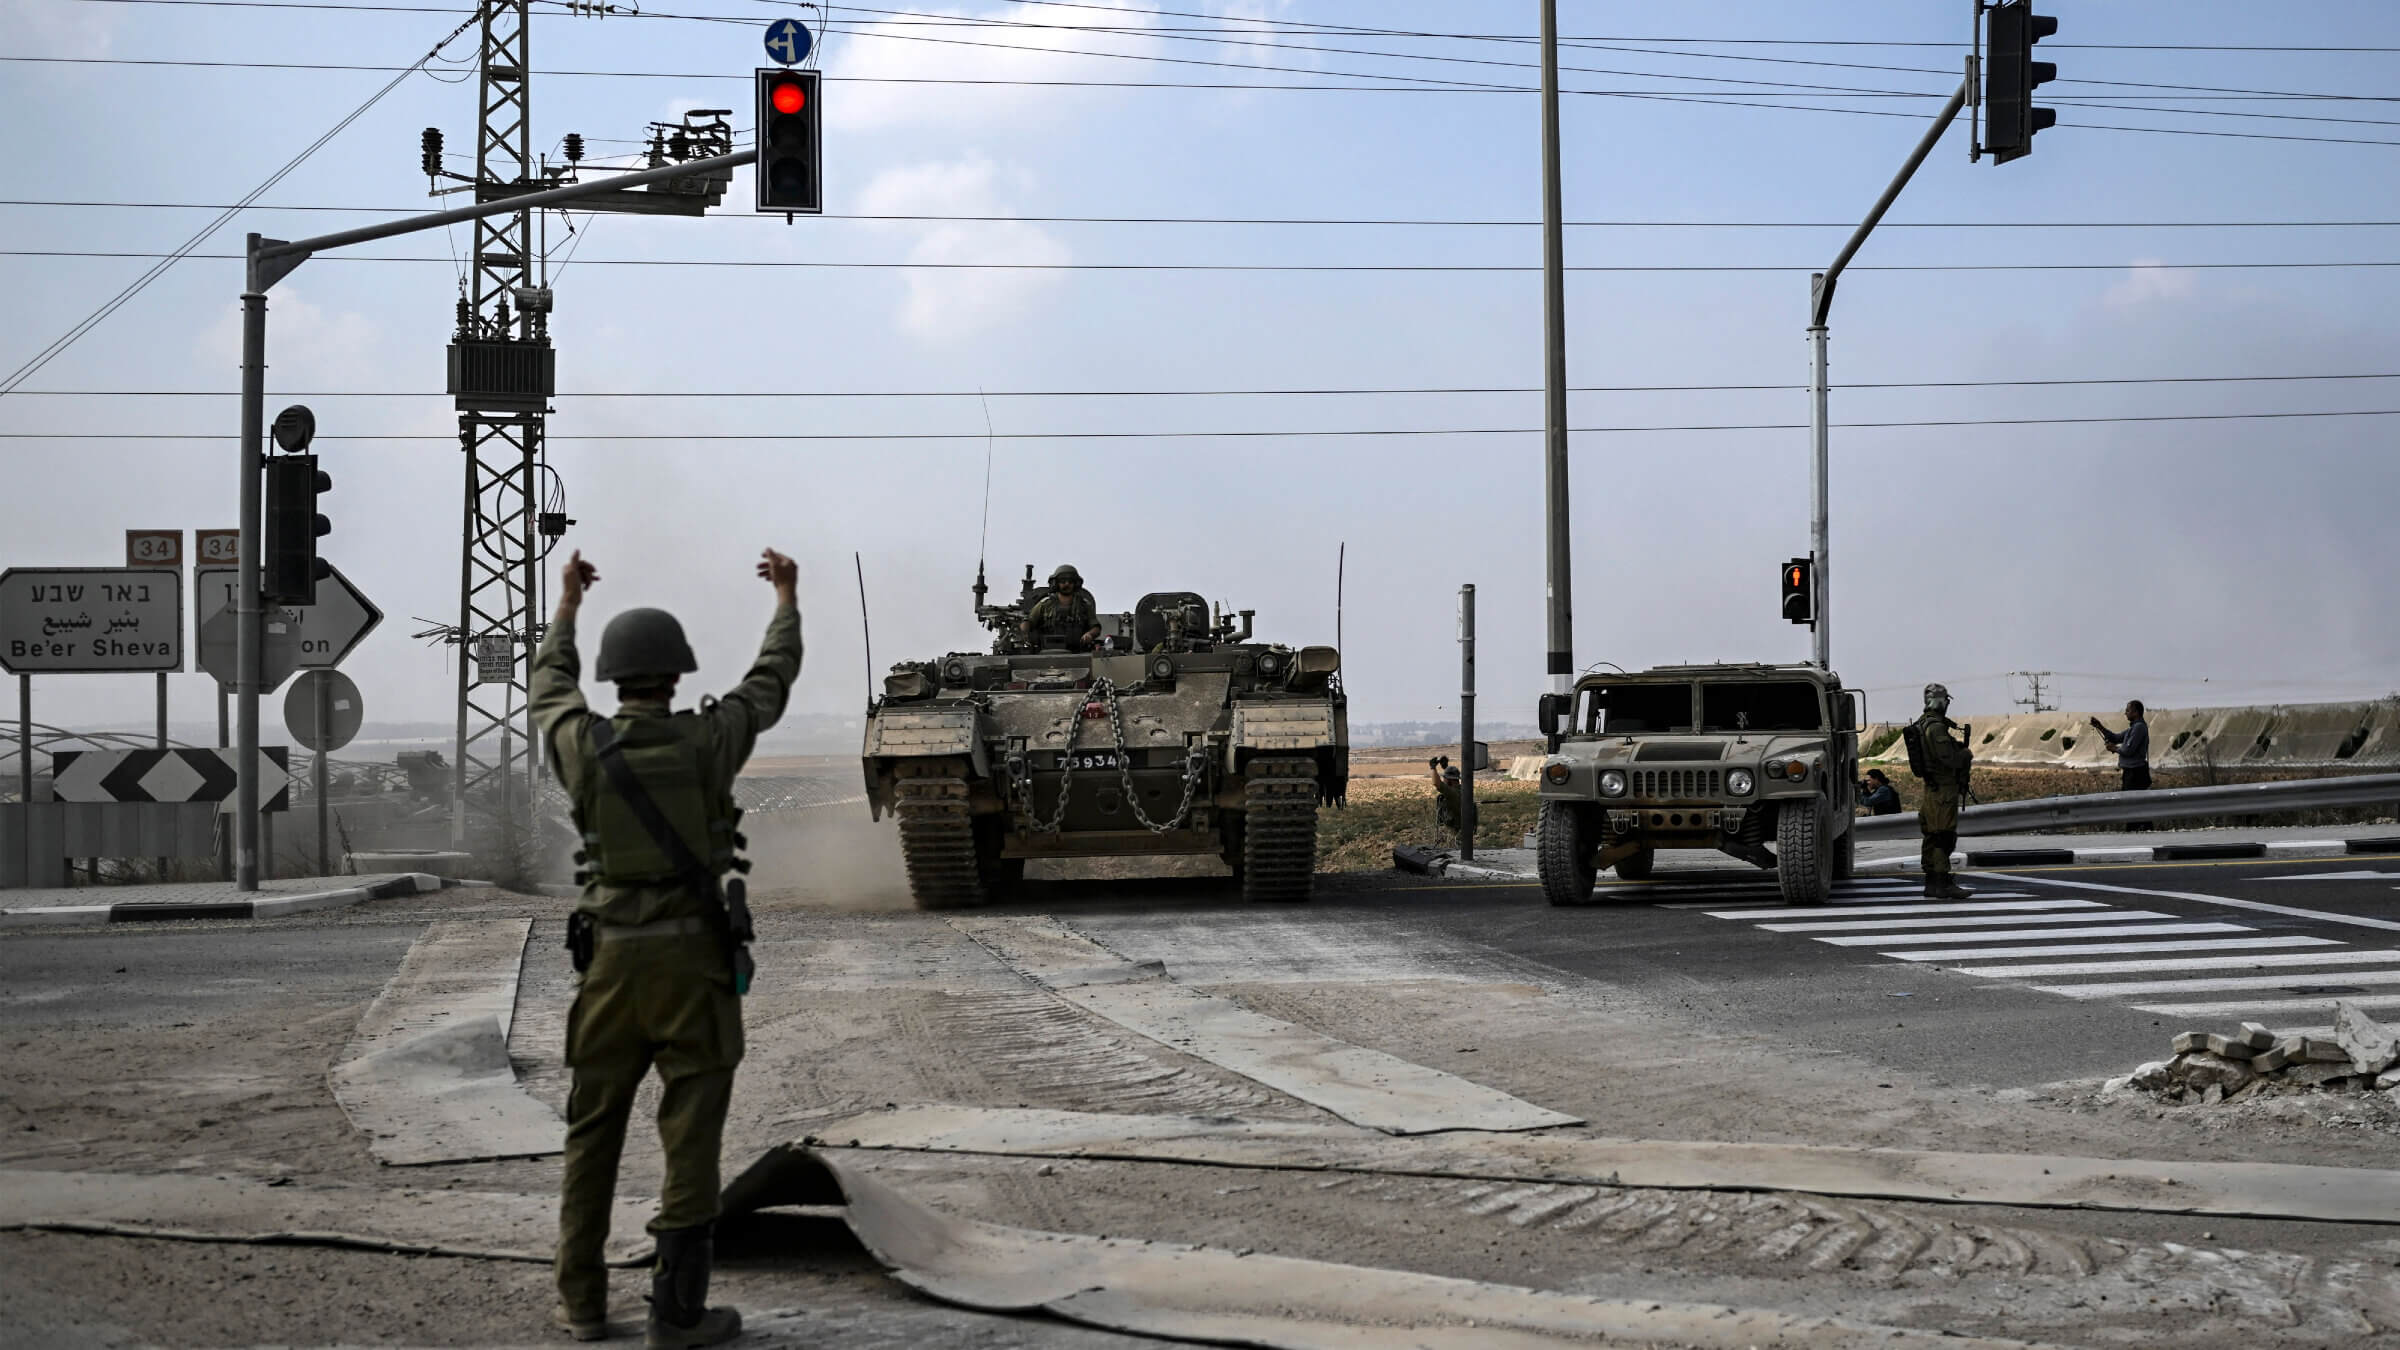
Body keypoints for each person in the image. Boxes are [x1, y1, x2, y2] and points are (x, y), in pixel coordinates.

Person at [533, 547, 803, 1347]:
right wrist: (786, 597)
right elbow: (771, 681)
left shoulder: (582, 746)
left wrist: (567, 604)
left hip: (611, 963)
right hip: (693, 964)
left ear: (614, 677)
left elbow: (549, 683)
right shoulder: (708, 741)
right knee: (691, 1137)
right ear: (678, 675)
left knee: (592, 1134)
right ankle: (677, 1314)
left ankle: (581, 1302)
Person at [1902, 683, 1976, 900]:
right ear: (1940, 701)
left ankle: (1932, 883)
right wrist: (1965, 755)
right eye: (1946, 701)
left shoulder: (1924, 723)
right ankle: (1942, 882)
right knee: (1943, 836)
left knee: (1933, 836)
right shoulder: (1935, 728)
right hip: (1942, 790)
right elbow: (1949, 759)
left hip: (1932, 788)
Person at [1021, 563, 1101, 651]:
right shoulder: (1045, 604)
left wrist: (1090, 634)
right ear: (1056, 583)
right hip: (1047, 652)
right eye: (1063, 581)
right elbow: (1029, 622)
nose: (1067, 584)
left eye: (1071, 582)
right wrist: (1025, 632)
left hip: (1078, 651)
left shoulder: (1084, 605)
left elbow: (1096, 627)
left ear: (1075, 584)